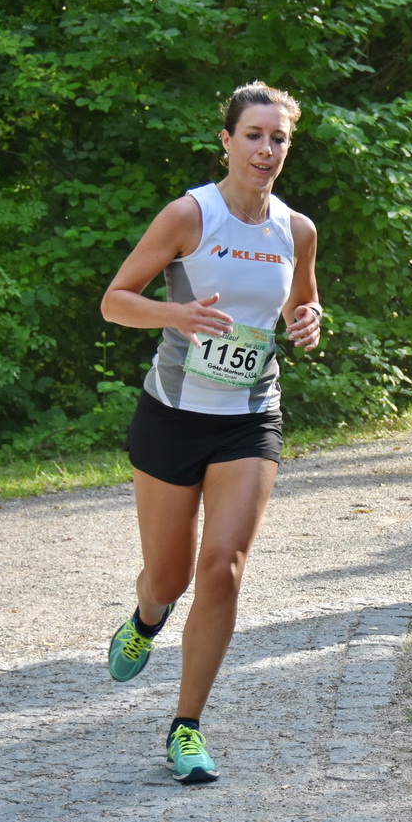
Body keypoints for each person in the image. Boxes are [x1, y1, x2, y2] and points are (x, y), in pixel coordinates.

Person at [99, 81, 321, 785]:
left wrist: (308, 321)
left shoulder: (297, 230)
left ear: (288, 146)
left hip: (250, 417)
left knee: (222, 567)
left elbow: (304, 300)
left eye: (277, 137)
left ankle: (186, 725)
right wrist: (177, 317)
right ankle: (146, 614)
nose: (265, 149)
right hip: (172, 414)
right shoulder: (190, 215)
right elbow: (115, 301)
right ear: (226, 140)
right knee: (169, 574)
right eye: (252, 135)